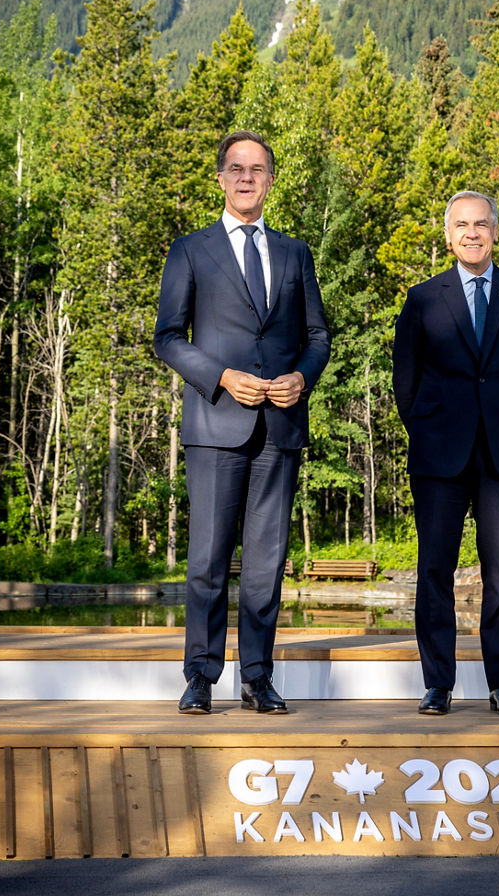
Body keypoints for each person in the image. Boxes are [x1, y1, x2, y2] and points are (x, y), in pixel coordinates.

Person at [153, 130, 331, 715]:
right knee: (207, 559)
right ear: (221, 178)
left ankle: (257, 676)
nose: (247, 177)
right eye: (236, 168)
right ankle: (201, 677)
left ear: (270, 179)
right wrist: (223, 377)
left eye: (257, 168)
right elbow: (168, 338)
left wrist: (302, 377)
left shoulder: (294, 253)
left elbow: (317, 335)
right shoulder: (190, 250)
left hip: (279, 427)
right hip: (215, 424)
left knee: (265, 563)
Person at [392, 190, 499, 717]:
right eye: (462, 225)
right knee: (435, 569)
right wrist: (427, 427)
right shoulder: (423, 299)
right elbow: (405, 380)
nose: (472, 233)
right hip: (439, 454)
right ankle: (439, 684)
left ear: (496, 231)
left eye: (481, 224)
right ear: (448, 235)